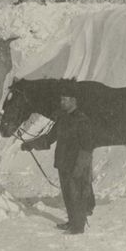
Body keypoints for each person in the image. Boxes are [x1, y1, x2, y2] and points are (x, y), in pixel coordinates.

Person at [20, 90, 95, 234]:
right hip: (63, 163)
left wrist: (80, 167)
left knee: (76, 195)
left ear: (73, 100)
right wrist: (30, 144)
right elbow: (48, 139)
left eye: (65, 100)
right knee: (68, 195)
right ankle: (72, 222)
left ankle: (78, 227)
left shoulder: (83, 120)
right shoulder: (62, 119)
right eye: (61, 100)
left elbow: (87, 148)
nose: (62, 102)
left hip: (77, 165)